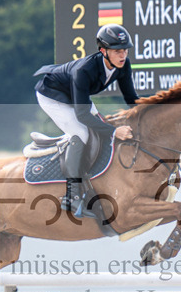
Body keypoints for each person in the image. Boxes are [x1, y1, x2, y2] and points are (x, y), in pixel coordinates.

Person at [34, 24, 137, 217]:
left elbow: (132, 99)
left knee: (100, 128)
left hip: (75, 97)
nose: (122, 55)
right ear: (103, 51)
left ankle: (93, 184)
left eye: (125, 50)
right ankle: (71, 196)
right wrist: (115, 131)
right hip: (52, 95)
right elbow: (82, 116)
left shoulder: (123, 66)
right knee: (81, 133)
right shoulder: (84, 70)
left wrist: (151, 111)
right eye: (117, 51)